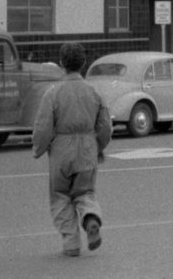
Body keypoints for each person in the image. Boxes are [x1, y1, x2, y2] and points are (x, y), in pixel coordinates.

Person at [32, 43, 112, 257]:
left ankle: (71, 243)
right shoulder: (94, 92)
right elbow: (105, 126)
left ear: (61, 64)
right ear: (83, 63)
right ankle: (91, 218)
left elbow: (43, 127)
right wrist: (99, 146)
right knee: (85, 192)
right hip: (87, 148)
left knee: (60, 195)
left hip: (61, 151)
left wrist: (38, 148)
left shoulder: (53, 93)